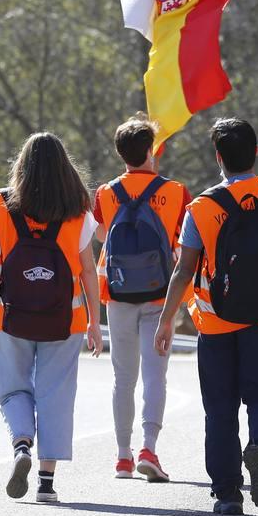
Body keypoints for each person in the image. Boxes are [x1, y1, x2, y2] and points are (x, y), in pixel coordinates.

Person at [153, 118, 258, 516]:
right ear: (257, 153)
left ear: (218, 157)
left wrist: (167, 319)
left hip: (215, 323)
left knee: (220, 409)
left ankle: (227, 494)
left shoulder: (202, 207)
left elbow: (184, 271)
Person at [0, 132, 104, 504]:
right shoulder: (78, 210)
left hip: (10, 315)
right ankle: (46, 482)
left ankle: (21, 445)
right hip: (66, 318)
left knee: (14, 388)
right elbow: (89, 270)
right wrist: (94, 321)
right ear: (65, 167)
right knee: (56, 394)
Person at [93, 116, 192, 483]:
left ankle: (122, 456)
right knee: (155, 374)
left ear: (121, 153)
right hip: (159, 294)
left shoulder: (105, 193)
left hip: (116, 293)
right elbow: (185, 242)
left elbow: (101, 234)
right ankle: (149, 447)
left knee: (123, 376)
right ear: (151, 151)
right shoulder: (177, 191)